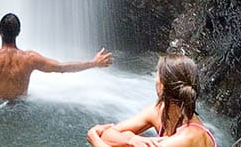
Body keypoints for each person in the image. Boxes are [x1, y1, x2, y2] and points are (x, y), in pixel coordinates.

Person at [86, 54, 216, 147]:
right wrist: (131, 140)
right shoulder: (159, 110)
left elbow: (102, 138)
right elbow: (108, 134)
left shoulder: (189, 137)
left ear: (163, 86)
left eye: (157, 75)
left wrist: (94, 138)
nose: (155, 79)